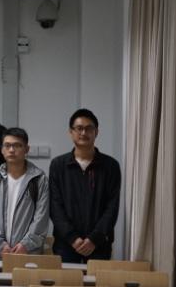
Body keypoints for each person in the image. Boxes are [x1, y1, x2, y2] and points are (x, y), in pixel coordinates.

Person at [48, 109, 122, 263]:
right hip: (66, 244)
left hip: (99, 245)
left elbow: (112, 207)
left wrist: (94, 239)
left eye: (89, 128)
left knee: (97, 279)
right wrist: (72, 238)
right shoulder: (58, 165)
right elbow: (55, 206)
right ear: (71, 132)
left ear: (96, 132)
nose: (83, 133)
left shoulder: (111, 166)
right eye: (79, 128)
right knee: (67, 280)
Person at [0, 128, 50, 259]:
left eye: (17, 145)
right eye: (7, 145)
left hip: (29, 254)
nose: (12, 150)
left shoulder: (38, 179)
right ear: (2, 149)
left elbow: (41, 217)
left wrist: (26, 245)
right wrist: (0, 245)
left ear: (27, 149)